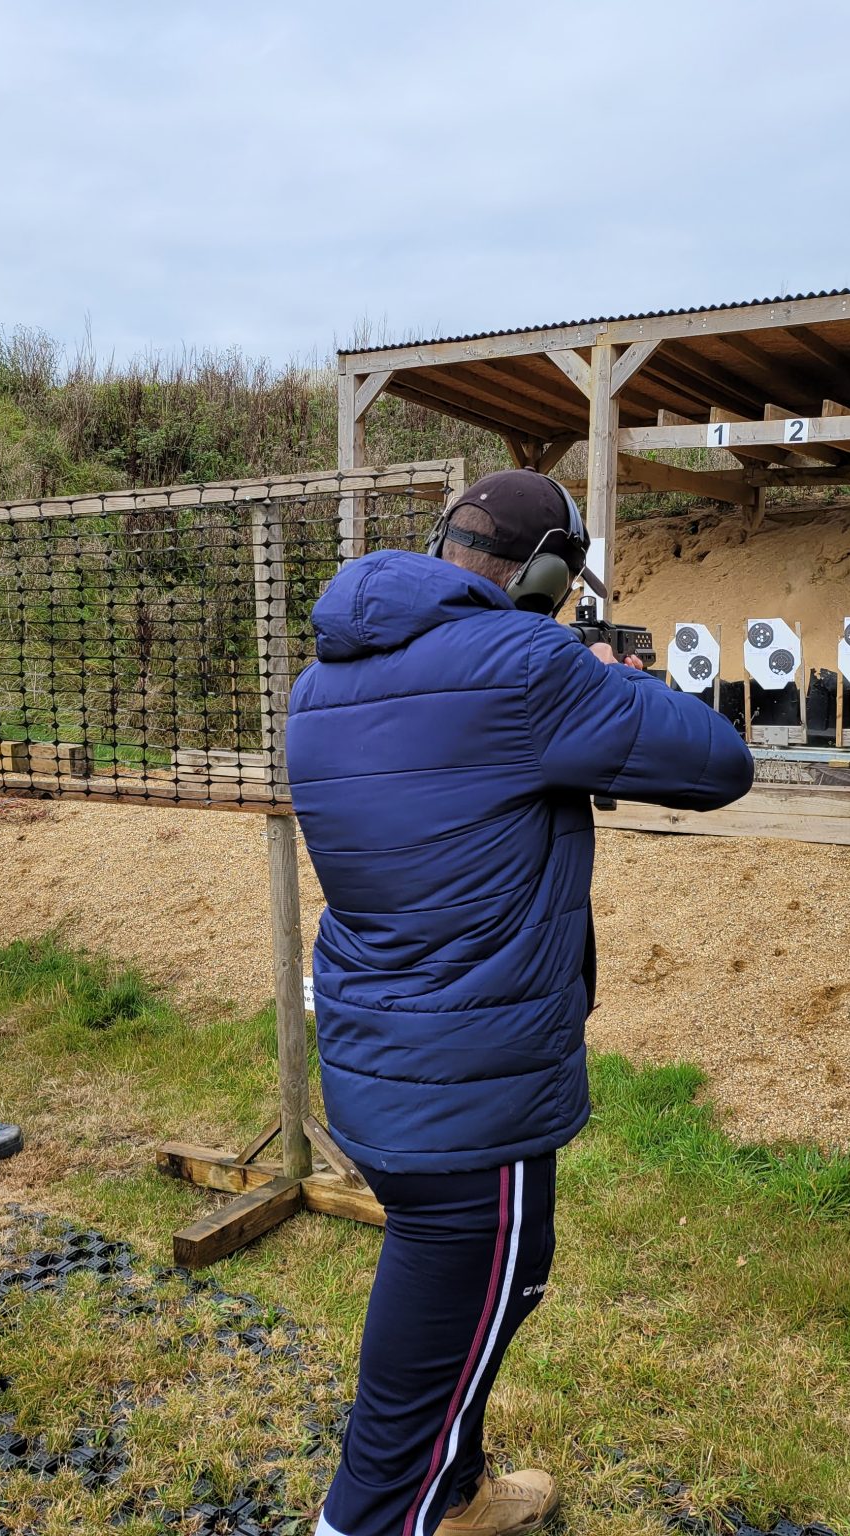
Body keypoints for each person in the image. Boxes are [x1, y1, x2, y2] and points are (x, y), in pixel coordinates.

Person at [286, 470, 754, 1536]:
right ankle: (372, 1516)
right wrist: (608, 679)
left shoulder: (322, 680)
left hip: (380, 1054)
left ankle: (456, 1495)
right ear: (546, 575)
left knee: (476, 1288)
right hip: (470, 1082)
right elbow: (718, 763)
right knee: (458, 1313)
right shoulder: (529, 665)